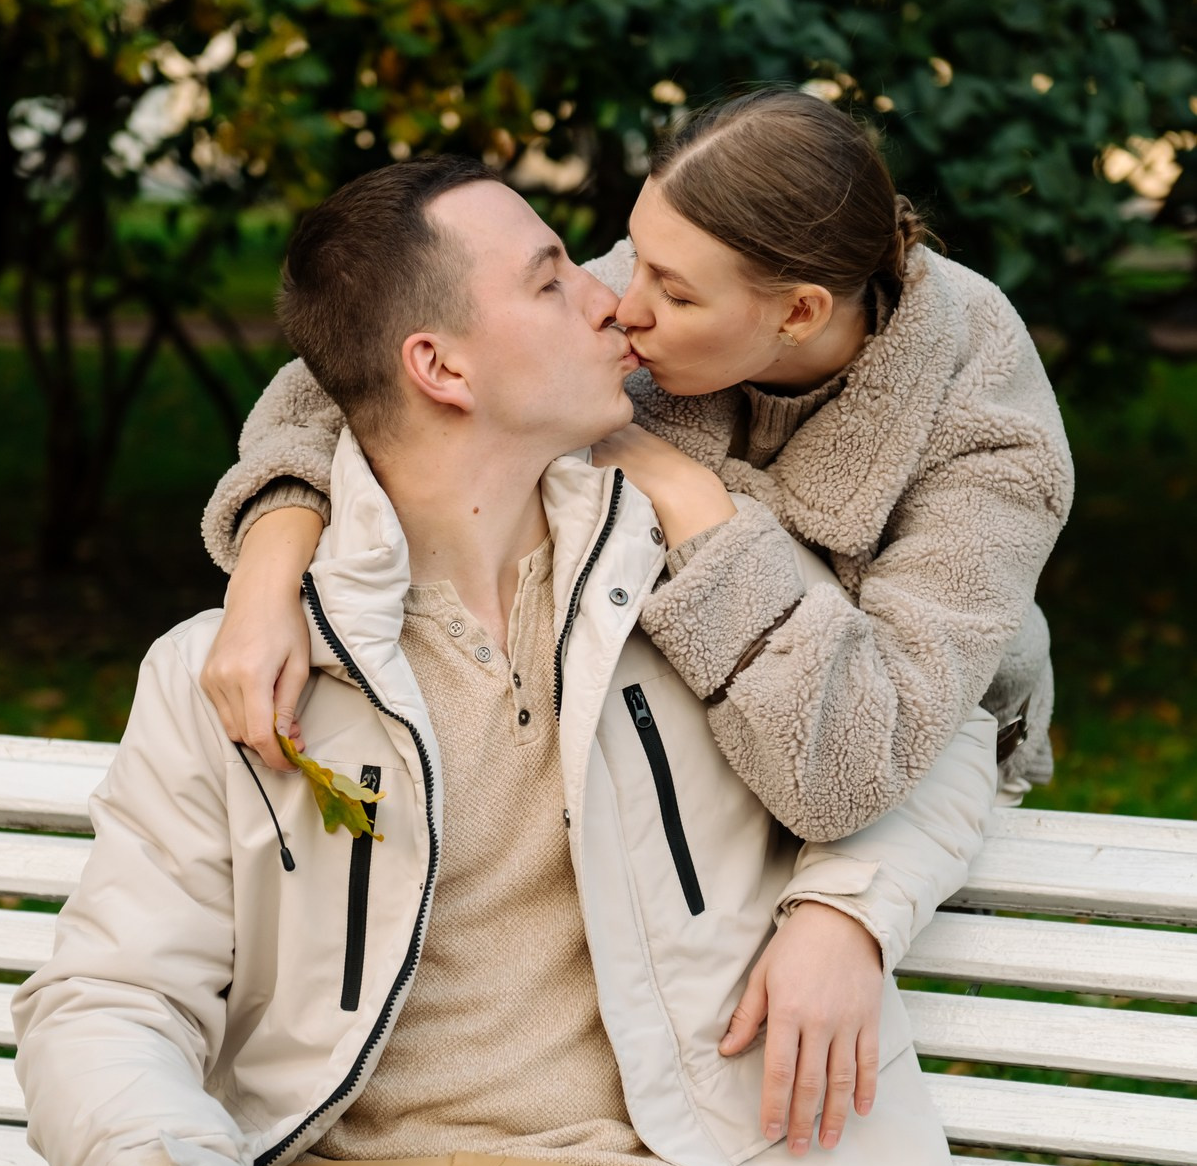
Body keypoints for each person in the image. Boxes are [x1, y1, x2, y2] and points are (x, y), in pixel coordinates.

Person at [0, 157, 1032, 1166]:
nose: (611, 299)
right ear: (440, 367)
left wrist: (847, 907)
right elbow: (109, 995)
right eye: (551, 280)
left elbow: (930, 723)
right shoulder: (234, 666)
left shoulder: (701, 575)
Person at [202, 88, 1072, 845]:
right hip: (685, 777)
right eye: (633, 256)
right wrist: (264, 585)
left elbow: (857, 759)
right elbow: (353, 376)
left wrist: (690, 493)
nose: (623, 306)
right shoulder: (668, 269)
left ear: (800, 313)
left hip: (928, 776)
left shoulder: (986, 430)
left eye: (676, 294)